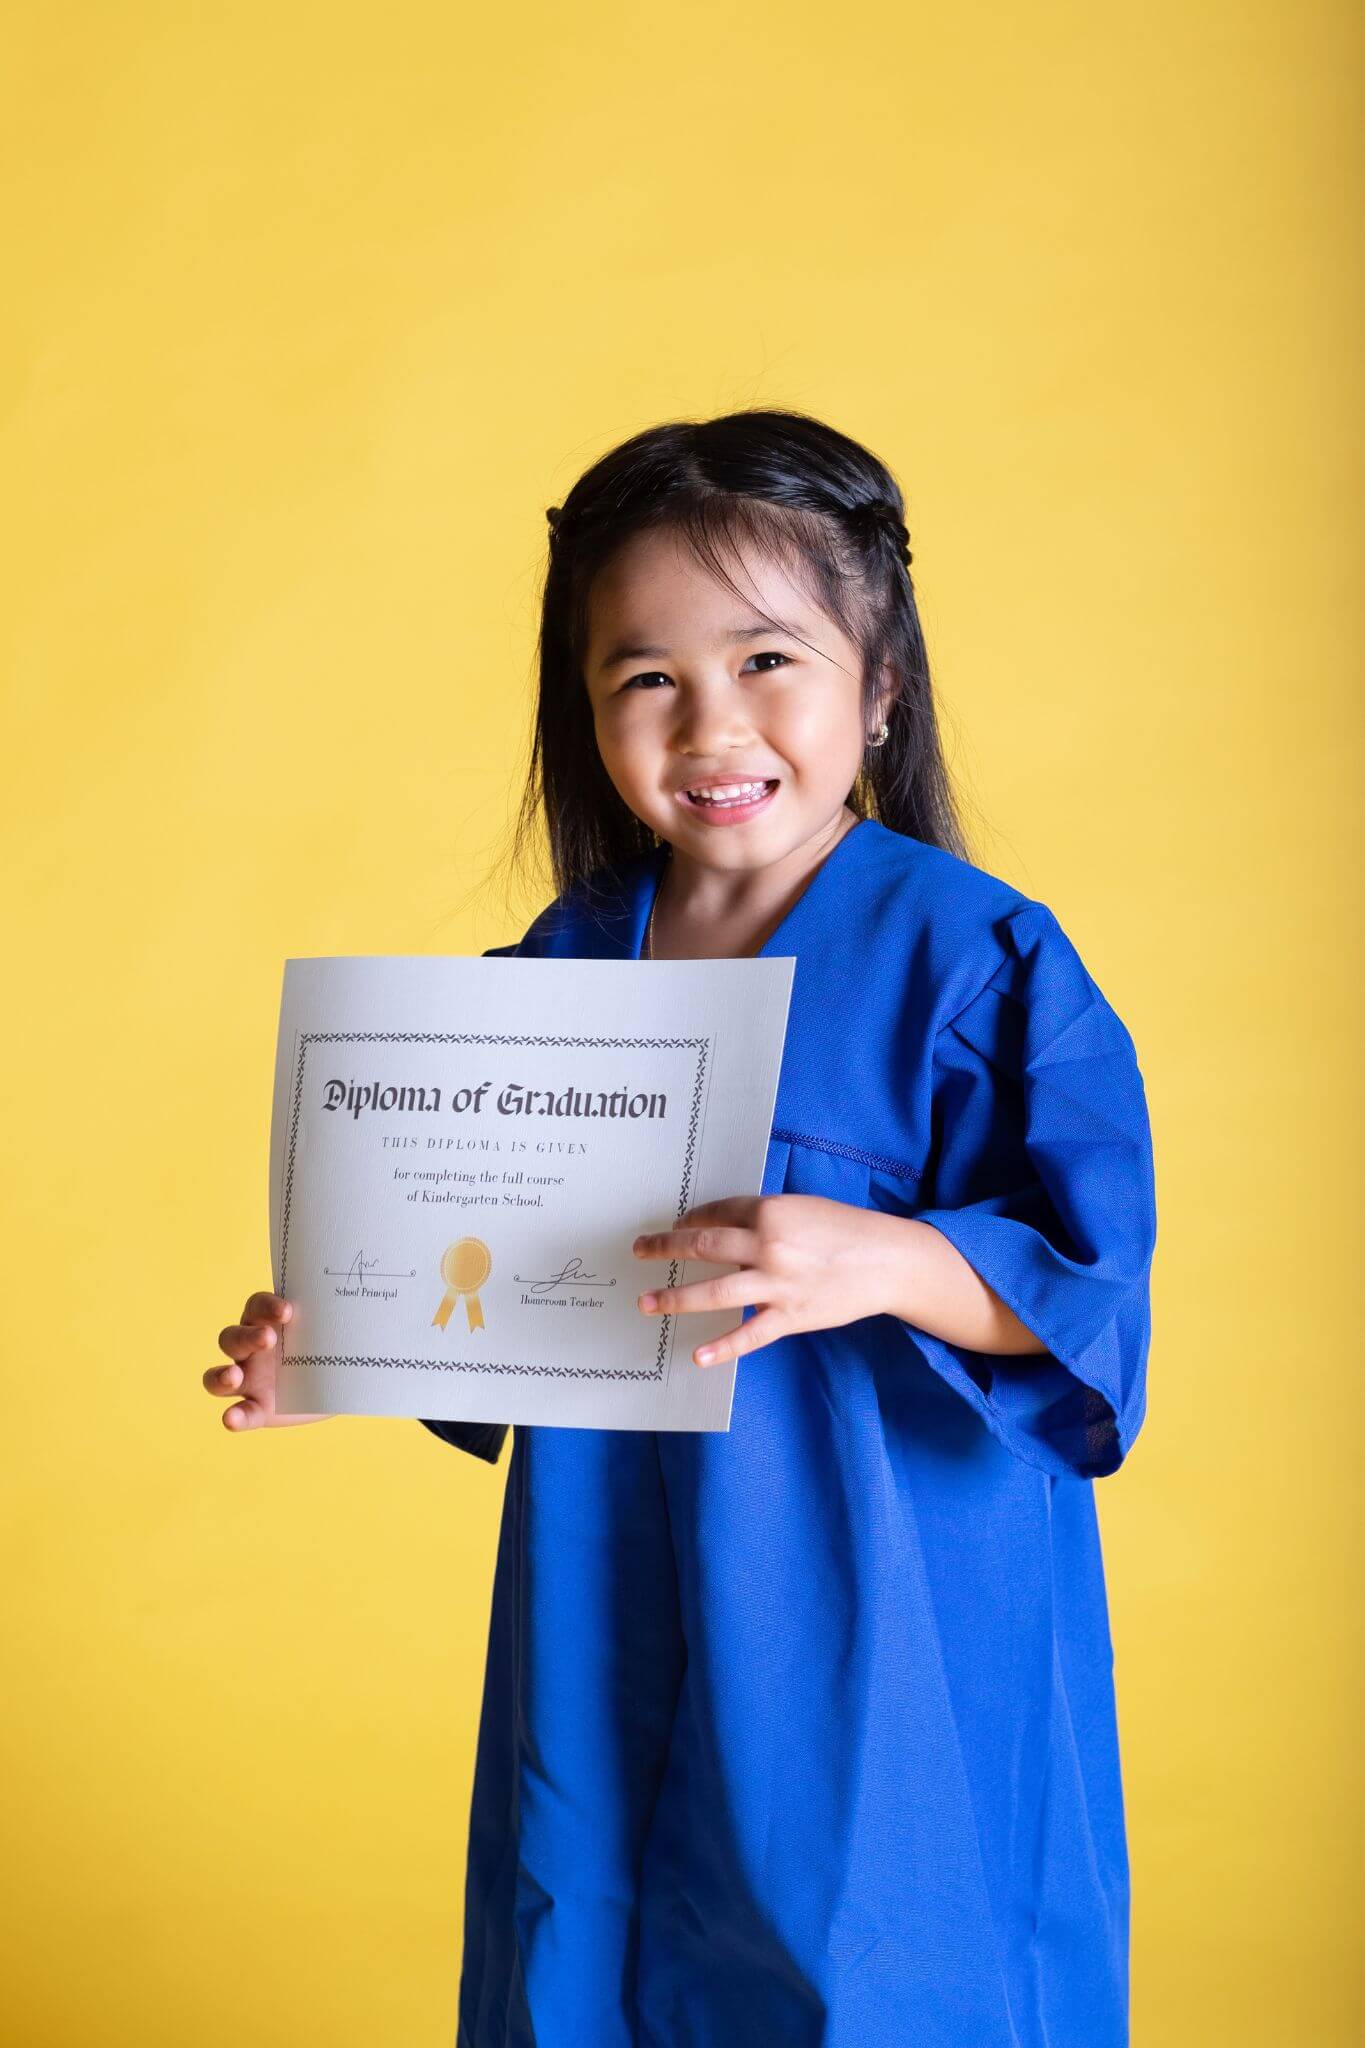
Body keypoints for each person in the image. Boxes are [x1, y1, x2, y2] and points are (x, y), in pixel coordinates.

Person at [205, 409, 1158, 2047]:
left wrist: (894, 1261)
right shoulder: (564, 968)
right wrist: (337, 1352)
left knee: (866, 1935)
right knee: (589, 1920)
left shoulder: (968, 960)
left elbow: (1090, 1298)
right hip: (607, 1562)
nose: (711, 721)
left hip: (867, 1573)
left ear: (880, 687)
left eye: (768, 657)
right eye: (643, 676)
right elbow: (495, 1282)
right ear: (585, 715)